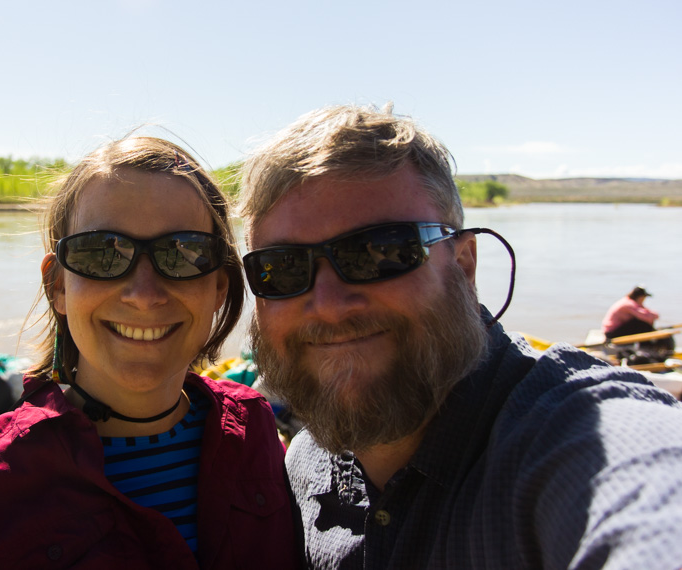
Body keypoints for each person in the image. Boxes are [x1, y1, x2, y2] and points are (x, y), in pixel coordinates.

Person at [237, 104, 682, 569]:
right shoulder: (304, 466)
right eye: (282, 268)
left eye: (382, 251)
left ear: (465, 266)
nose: (328, 305)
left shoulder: (577, 440)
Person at [0, 137, 299, 569]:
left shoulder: (254, 432)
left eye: (183, 253)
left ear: (219, 286)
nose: (144, 295)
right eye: (103, 253)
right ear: (57, 286)